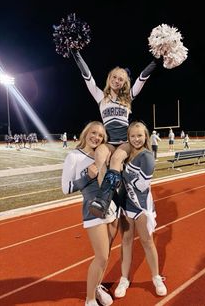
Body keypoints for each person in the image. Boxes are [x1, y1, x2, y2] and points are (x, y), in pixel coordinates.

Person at [72, 50, 164, 218]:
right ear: (110, 78)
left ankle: (103, 201)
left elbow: (142, 78)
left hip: (124, 142)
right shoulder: (101, 97)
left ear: (124, 83)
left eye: (121, 79)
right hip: (109, 142)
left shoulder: (128, 97)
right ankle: (106, 199)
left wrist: (156, 60)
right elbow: (87, 76)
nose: (117, 81)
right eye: (114, 77)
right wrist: (76, 53)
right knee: (100, 154)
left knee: (115, 159)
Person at [61, 121, 119, 306]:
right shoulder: (74, 156)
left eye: (101, 135)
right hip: (93, 208)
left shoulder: (104, 154)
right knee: (101, 256)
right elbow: (66, 188)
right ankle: (90, 299)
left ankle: (97, 286)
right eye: (93, 133)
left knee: (106, 255)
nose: (96, 137)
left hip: (111, 206)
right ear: (86, 133)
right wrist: (88, 176)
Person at [114, 121, 167, 298]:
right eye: (132, 136)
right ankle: (124, 278)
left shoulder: (147, 156)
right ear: (128, 137)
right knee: (126, 241)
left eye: (139, 135)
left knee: (146, 241)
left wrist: (122, 170)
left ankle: (156, 277)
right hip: (125, 205)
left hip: (141, 206)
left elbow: (142, 185)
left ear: (146, 136)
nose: (136, 139)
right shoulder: (127, 154)